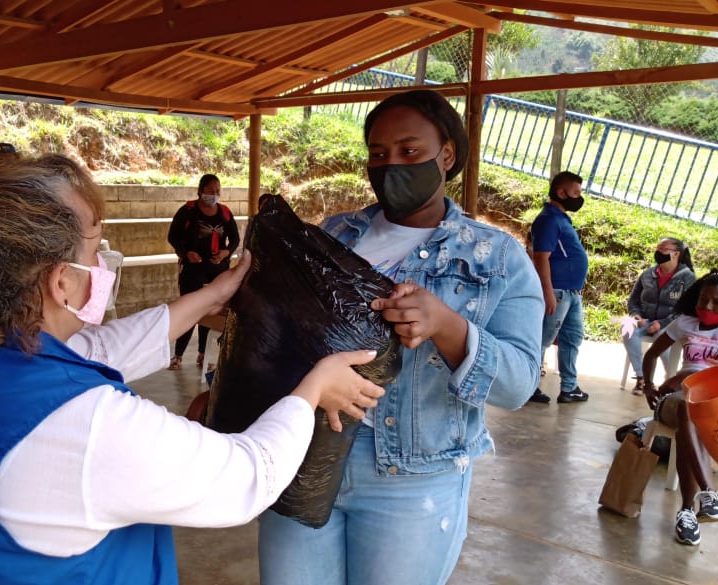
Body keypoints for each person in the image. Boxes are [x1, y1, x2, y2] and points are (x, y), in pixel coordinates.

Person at [0, 151, 386, 584]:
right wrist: (313, 390)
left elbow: (96, 352)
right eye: (95, 250)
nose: (103, 265)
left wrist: (210, 297)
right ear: (61, 281)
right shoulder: (88, 427)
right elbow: (245, 477)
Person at [257, 90, 544, 585]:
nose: (390, 166)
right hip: (306, 454)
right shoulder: (334, 233)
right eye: (378, 153)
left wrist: (449, 327)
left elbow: (518, 383)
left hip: (411, 480)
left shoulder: (496, 257)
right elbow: (282, 336)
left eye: (409, 152)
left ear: (447, 154)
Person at [641, 269, 718, 546]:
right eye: (703, 300)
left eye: (716, 302)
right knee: (688, 408)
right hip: (676, 401)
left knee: (693, 413)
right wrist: (647, 384)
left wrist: (687, 378)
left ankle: (687, 511)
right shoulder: (686, 322)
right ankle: (709, 495)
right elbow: (651, 354)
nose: (707, 307)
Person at [166, 173, 240, 370]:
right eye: (210, 191)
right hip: (193, 268)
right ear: (200, 191)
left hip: (218, 269)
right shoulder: (188, 211)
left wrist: (226, 253)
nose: (214, 195)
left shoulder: (224, 212)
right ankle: (178, 355)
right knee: (190, 308)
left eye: (217, 191)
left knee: (212, 310)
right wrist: (186, 253)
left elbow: (234, 239)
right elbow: (173, 236)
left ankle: (204, 354)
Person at [528, 171, 590, 404]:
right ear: (561, 192)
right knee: (542, 340)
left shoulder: (561, 218)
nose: (578, 198)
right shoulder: (549, 220)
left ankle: (569, 387)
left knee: (572, 339)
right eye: (575, 193)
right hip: (558, 292)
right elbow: (541, 258)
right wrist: (547, 293)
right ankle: (529, 385)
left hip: (572, 292)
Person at [622, 238, 696, 394]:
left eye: (664, 248)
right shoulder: (648, 274)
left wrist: (662, 323)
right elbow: (633, 300)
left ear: (676, 254)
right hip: (645, 321)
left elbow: (687, 308)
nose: (658, 252)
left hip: (671, 323)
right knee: (627, 328)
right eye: (658, 248)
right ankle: (641, 377)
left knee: (662, 338)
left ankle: (671, 378)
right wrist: (636, 316)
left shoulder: (687, 277)